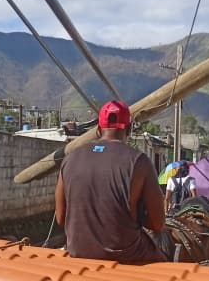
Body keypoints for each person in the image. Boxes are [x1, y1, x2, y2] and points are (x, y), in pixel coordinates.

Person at [55, 100, 170, 264]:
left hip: (77, 251)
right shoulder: (139, 161)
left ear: (99, 129)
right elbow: (158, 223)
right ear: (129, 129)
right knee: (168, 265)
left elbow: (60, 218)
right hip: (127, 255)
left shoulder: (70, 158)